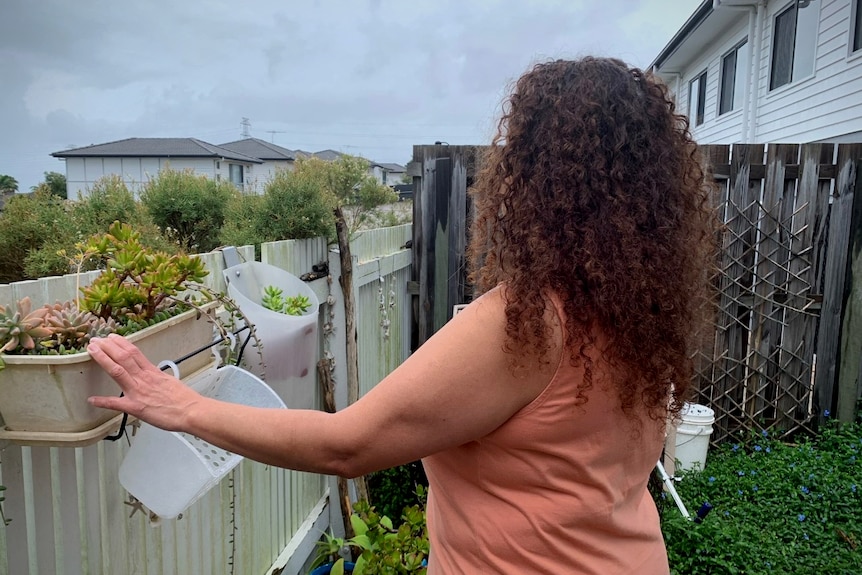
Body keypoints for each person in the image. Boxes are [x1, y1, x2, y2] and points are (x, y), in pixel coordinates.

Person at [88, 56, 716, 574]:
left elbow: (347, 445)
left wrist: (184, 408)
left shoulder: (525, 324)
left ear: (534, 176)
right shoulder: (637, 316)